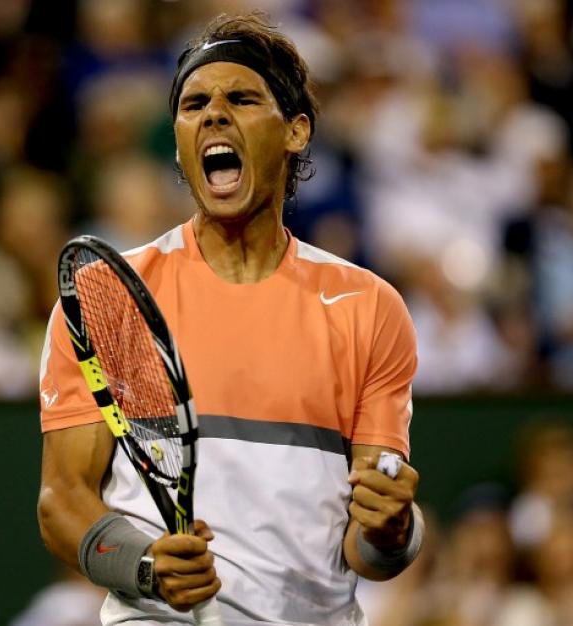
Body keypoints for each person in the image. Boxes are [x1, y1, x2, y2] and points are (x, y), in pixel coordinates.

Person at [37, 13, 423, 626]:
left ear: (296, 131)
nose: (213, 114)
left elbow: (370, 548)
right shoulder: (110, 297)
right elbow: (63, 500)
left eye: (241, 98)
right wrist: (145, 568)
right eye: (193, 105)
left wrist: (395, 528)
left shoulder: (368, 307)